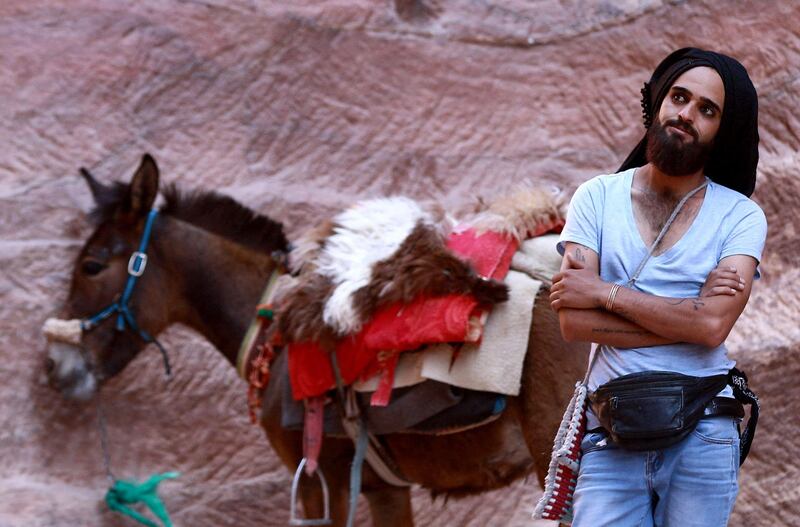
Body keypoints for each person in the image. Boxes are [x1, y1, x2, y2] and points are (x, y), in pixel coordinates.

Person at [549, 47, 767, 526]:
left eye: (707, 110)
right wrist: (689, 316)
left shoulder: (740, 216)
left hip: (704, 429)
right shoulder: (596, 197)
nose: (686, 115)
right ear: (659, 101)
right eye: (679, 97)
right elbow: (572, 321)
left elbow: (711, 326)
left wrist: (604, 294)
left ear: (721, 130)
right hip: (610, 434)